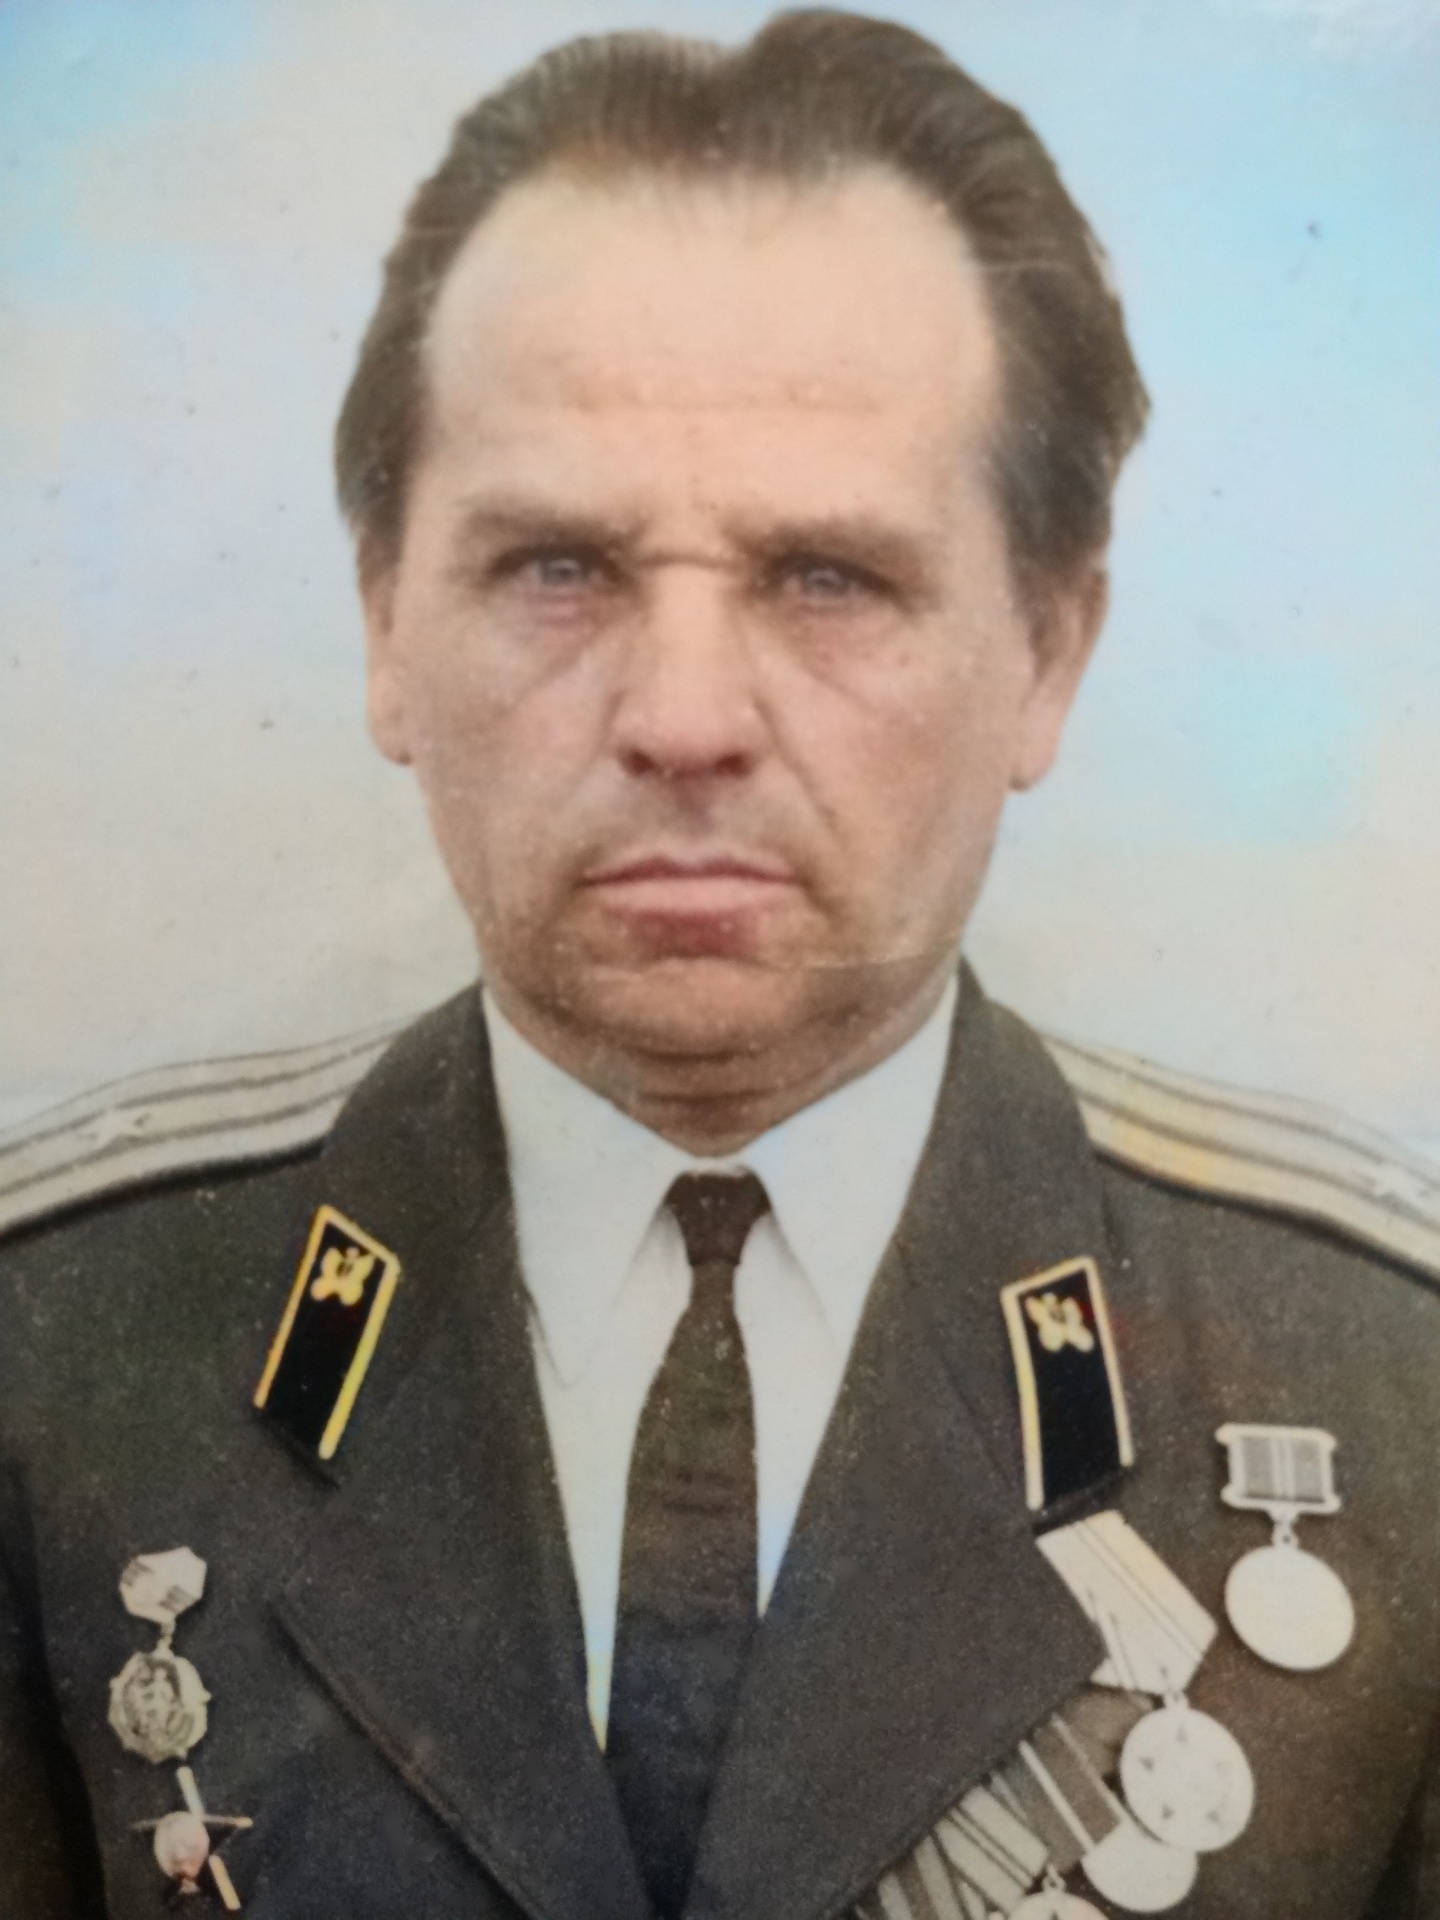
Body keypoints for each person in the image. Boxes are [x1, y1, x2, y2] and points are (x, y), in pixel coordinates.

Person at [3, 12, 1439, 1916]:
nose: (683, 719)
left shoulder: (1391, 1384)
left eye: (827, 577)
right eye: (559, 569)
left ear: (1048, 650)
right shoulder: (56, 1353)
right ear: (384, 624)